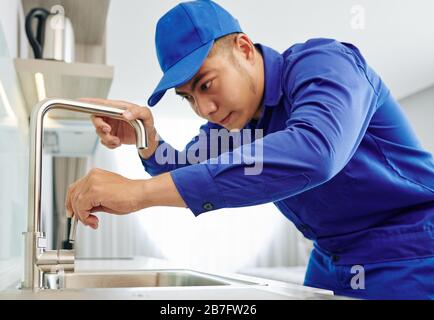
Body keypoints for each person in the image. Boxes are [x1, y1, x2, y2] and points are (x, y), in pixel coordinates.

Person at [66, 0, 434, 299]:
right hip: (328, 258)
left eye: (206, 84)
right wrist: (145, 139)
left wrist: (138, 192)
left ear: (243, 48)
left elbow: (315, 152)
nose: (204, 109)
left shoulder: (324, 63)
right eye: (189, 98)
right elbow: (182, 172)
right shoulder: (232, 126)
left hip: (409, 251)